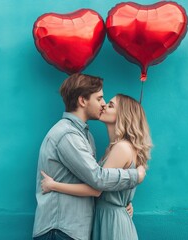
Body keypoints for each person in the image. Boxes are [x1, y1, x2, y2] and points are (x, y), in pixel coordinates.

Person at [32, 73, 146, 240]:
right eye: (99, 98)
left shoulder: (86, 136)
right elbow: (97, 179)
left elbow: (97, 185)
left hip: (74, 229)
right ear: (82, 101)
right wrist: (135, 176)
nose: (103, 104)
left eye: (108, 102)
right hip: (60, 229)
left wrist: (123, 203)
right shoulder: (68, 135)